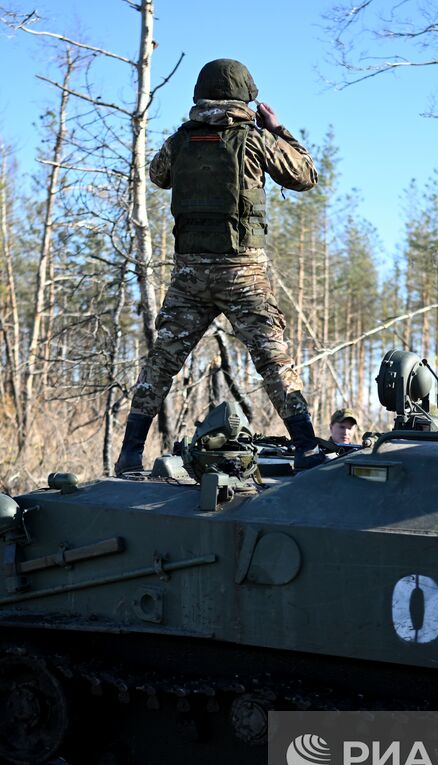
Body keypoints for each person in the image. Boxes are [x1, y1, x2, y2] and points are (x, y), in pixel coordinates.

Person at [115, 58, 324, 476]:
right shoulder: (254, 140)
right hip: (242, 273)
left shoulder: (180, 141)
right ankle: (306, 448)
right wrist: (278, 129)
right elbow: (305, 176)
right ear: (246, 96)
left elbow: (158, 177)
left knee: (162, 363)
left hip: (190, 276)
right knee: (273, 360)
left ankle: (129, 454)